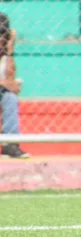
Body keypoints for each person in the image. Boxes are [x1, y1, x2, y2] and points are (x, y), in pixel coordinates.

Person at [0, 13, 28, 158]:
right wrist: (6, 83)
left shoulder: (5, 53)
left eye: (3, 37)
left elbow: (10, 78)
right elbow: (8, 83)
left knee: (9, 96)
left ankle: (10, 144)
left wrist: (10, 51)